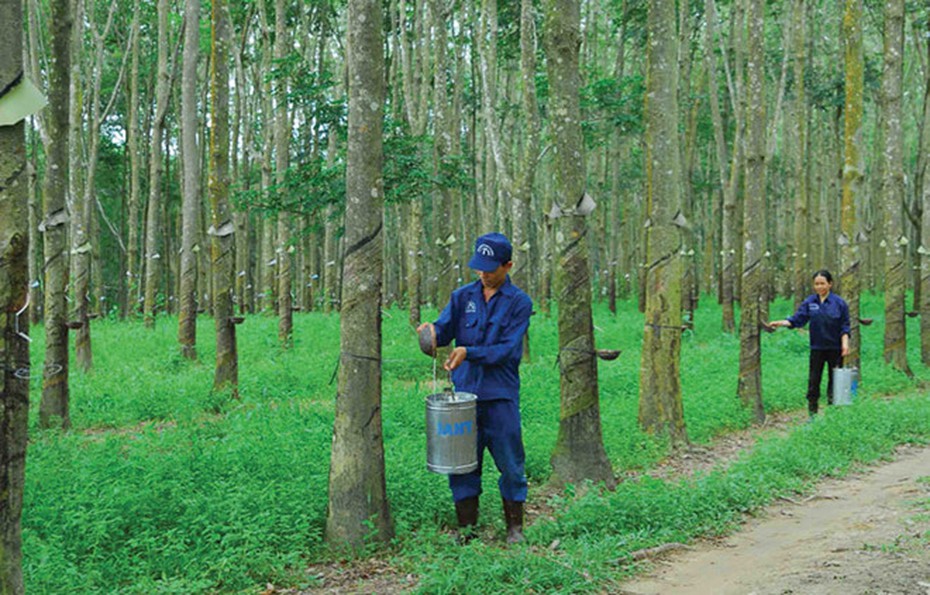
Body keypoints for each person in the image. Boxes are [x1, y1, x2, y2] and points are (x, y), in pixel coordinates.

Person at [417, 232, 533, 544]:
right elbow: (444, 329)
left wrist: (469, 352)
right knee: (462, 462)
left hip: (500, 397)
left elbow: (508, 350)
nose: (483, 274)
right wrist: (431, 334)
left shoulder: (519, 303)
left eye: (490, 269)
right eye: (478, 268)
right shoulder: (462, 297)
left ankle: (515, 529)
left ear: (508, 265)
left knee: (510, 462)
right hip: (464, 397)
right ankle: (467, 531)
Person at [767, 269, 850, 417]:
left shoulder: (839, 303)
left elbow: (845, 326)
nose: (819, 287)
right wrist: (780, 323)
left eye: (822, 283)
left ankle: (834, 415)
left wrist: (845, 344)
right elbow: (798, 319)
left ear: (830, 284)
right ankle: (812, 413)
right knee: (814, 381)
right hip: (817, 348)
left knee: (835, 381)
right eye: (816, 284)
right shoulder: (810, 302)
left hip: (835, 348)